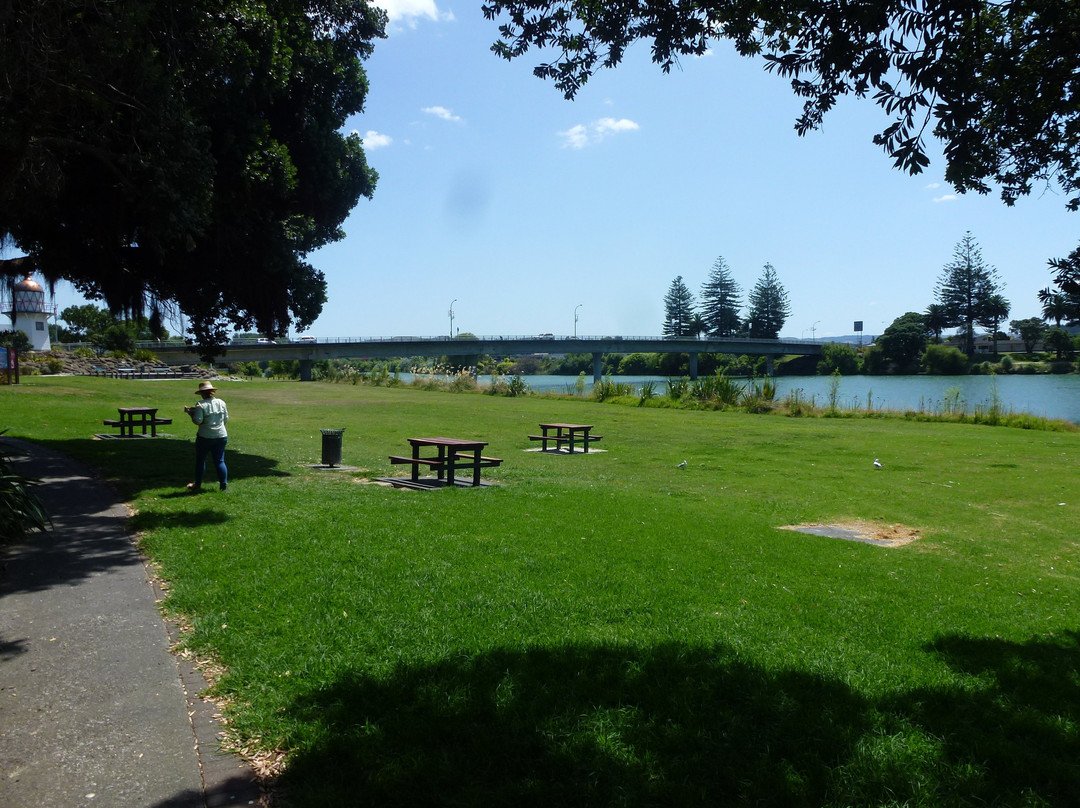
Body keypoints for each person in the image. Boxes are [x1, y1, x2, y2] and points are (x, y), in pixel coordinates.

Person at [184, 380, 229, 492]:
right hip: (221, 435)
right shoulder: (221, 402)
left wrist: (190, 413)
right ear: (212, 392)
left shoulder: (200, 405)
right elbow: (226, 419)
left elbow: (198, 421)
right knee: (220, 461)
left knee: (201, 460)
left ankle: (197, 484)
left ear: (202, 393)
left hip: (205, 437)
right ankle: (223, 486)